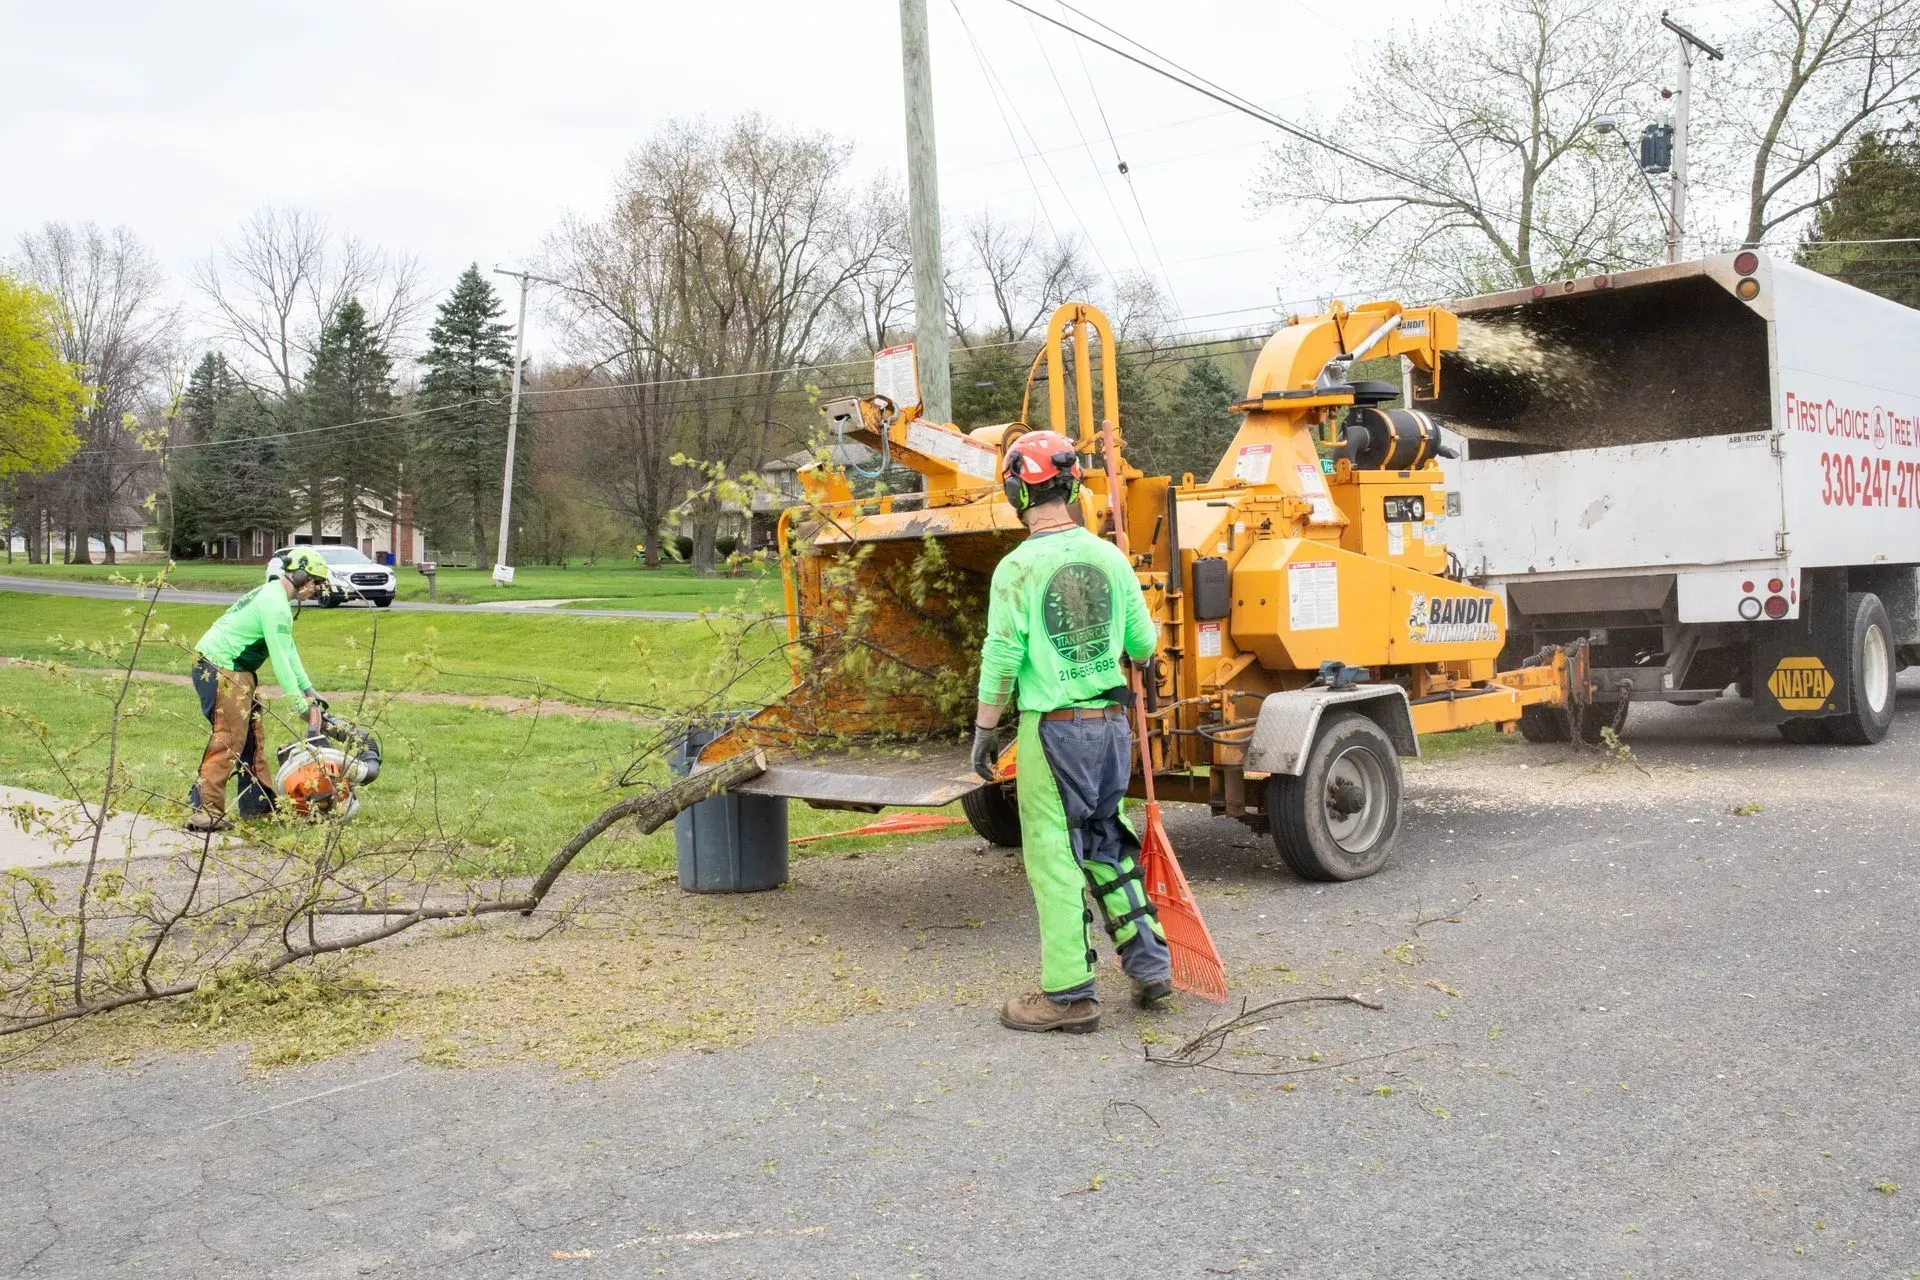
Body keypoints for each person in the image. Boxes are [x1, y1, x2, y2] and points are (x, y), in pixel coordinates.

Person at [972, 431, 1172, 1034]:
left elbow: (1002, 657)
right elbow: (1143, 645)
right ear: (1069, 485)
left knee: (1055, 859)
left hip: (1053, 733)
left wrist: (984, 730)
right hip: (1111, 729)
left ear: (1016, 489)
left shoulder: (1017, 568)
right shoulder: (1110, 557)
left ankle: (1069, 996)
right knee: (1107, 841)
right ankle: (1151, 965)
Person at [185, 547, 328, 832]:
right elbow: (279, 660)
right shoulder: (274, 606)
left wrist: (309, 690)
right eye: (314, 581)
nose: (316, 589)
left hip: (235, 670)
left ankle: (258, 807)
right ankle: (204, 810)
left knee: (251, 737)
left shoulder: (276, 598)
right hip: (220, 667)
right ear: (300, 575)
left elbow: (289, 651)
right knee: (229, 738)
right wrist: (299, 705)